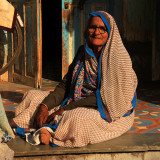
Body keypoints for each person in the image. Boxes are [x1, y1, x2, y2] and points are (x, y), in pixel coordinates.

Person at [11, 11, 137, 147]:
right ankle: (46, 128)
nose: (96, 32)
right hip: (75, 100)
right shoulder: (83, 52)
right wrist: (44, 106)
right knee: (33, 96)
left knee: (77, 118)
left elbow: (105, 97)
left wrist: (65, 109)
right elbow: (66, 84)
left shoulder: (117, 58)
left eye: (102, 28)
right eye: (92, 27)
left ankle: (50, 131)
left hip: (106, 107)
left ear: (110, 33)